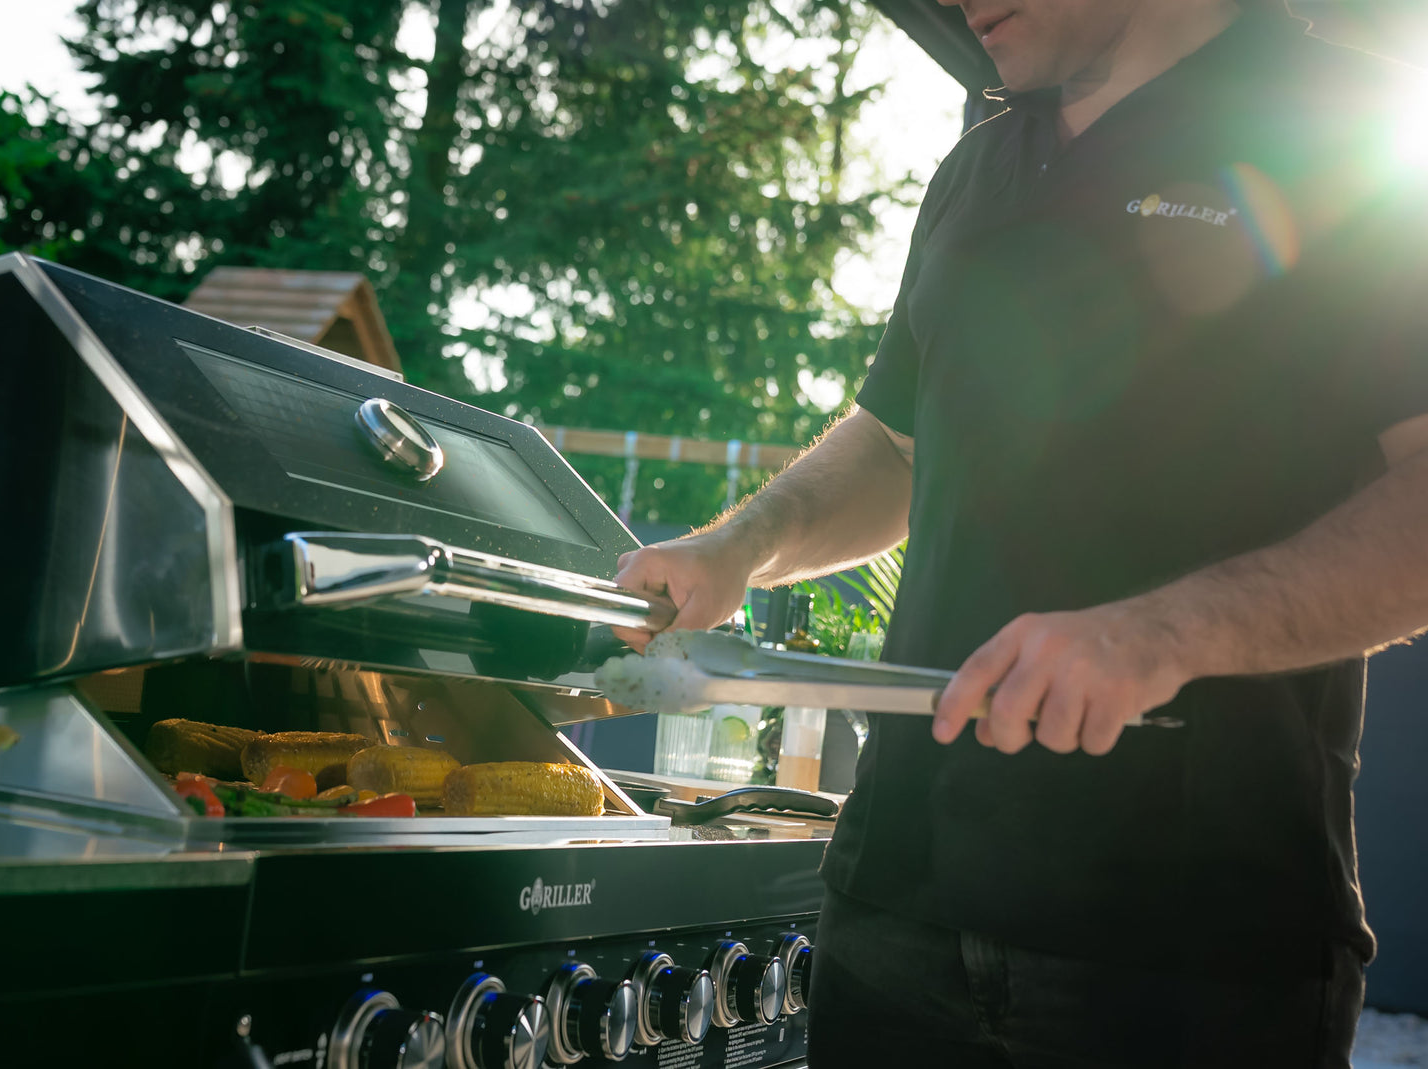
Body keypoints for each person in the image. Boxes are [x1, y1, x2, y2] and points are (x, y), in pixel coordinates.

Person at [612, 0, 1428, 1065]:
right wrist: (739, 548)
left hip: (1187, 945)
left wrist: (1160, 635)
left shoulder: (1357, 129)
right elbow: (893, 446)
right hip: (893, 899)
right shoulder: (978, 164)